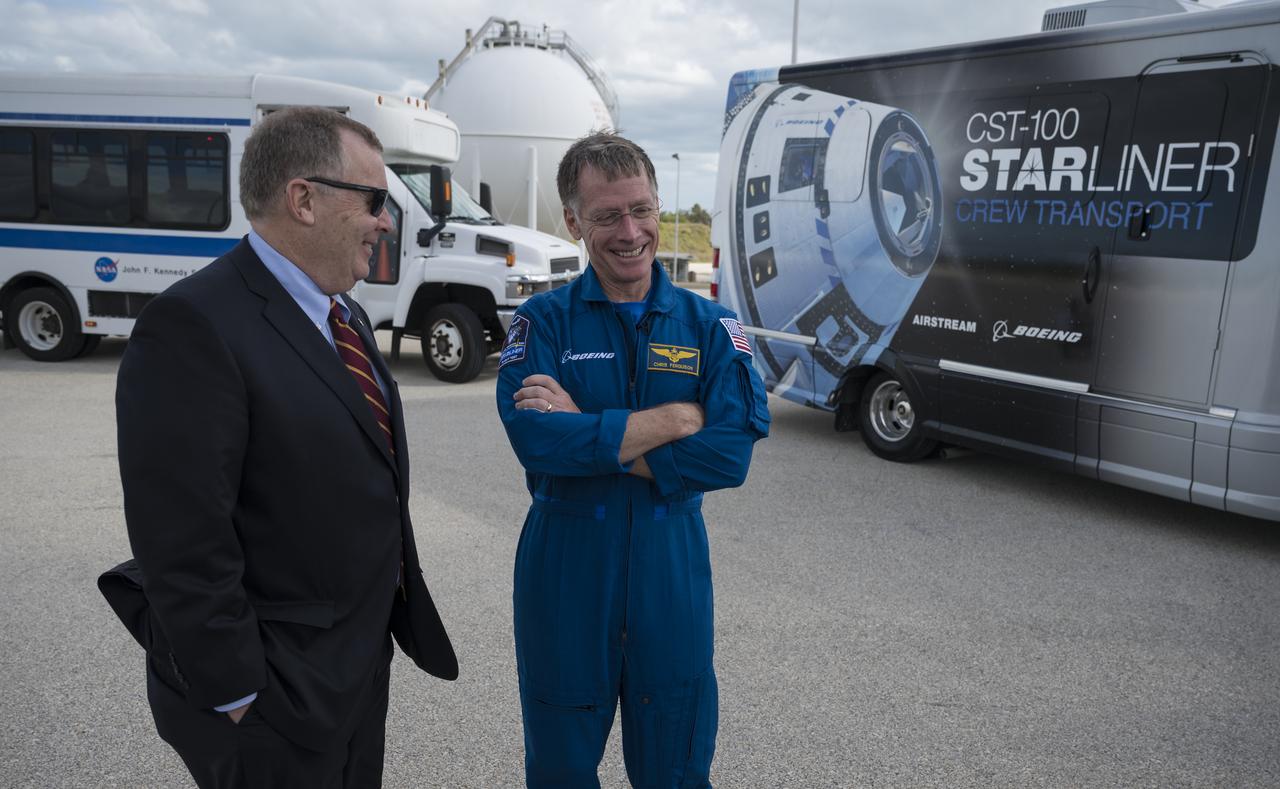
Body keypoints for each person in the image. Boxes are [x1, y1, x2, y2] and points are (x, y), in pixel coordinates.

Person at [107, 106, 456, 788]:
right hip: (274, 696)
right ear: (303, 199)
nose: (386, 219)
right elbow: (181, 537)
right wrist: (240, 694)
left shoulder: (342, 311)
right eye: (374, 199)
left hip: (351, 669)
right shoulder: (192, 325)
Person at [496, 132, 771, 788]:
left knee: (676, 771)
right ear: (572, 222)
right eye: (606, 215)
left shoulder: (712, 326)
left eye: (642, 209)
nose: (630, 231)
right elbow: (535, 440)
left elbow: (731, 453)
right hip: (564, 577)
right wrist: (676, 421)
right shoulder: (541, 324)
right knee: (560, 773)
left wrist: (590, 438)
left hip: (669, 575)